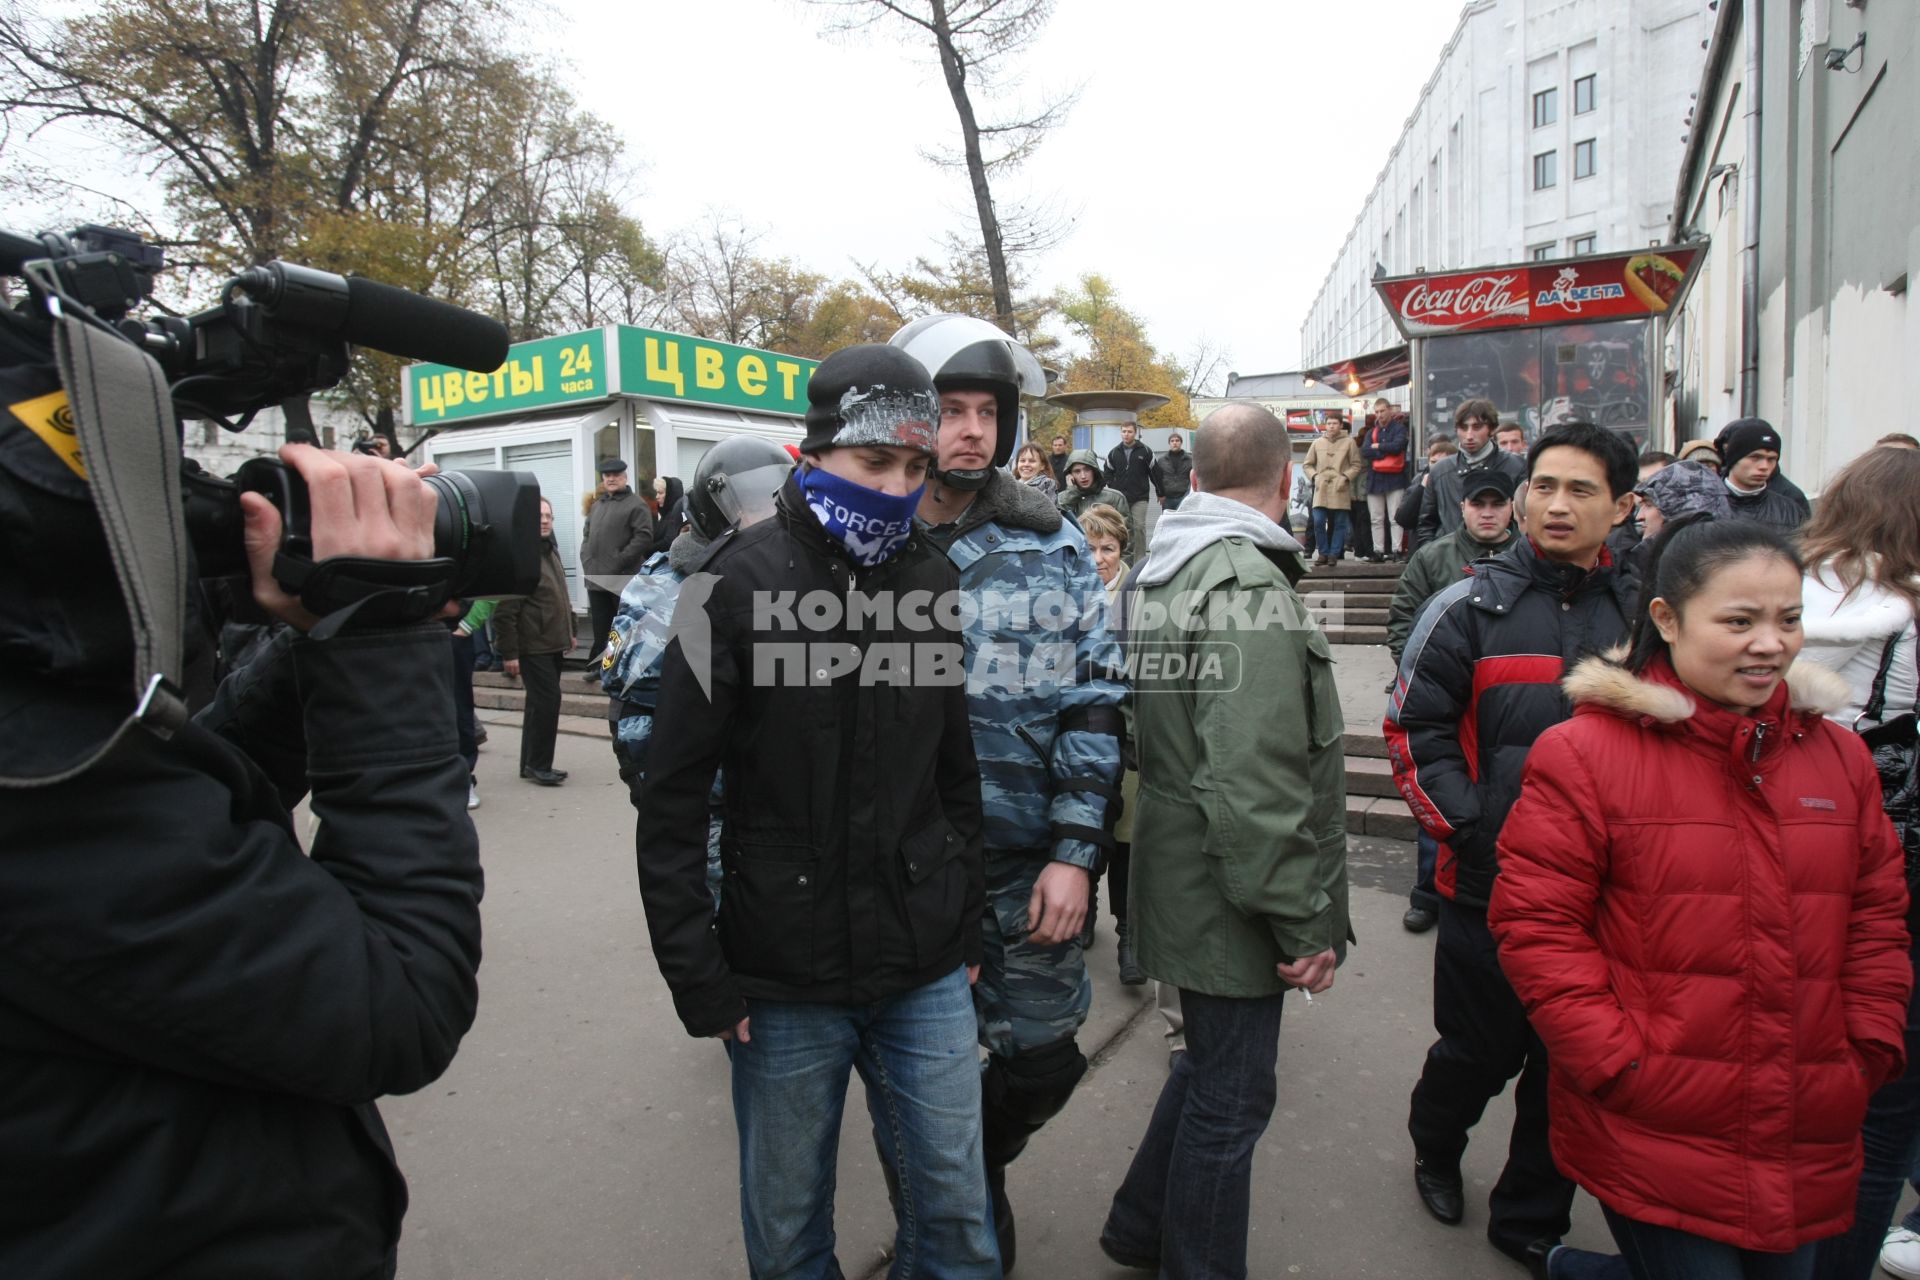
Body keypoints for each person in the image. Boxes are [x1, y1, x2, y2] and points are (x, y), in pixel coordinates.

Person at [0, 433, 482, 1278]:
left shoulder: (51, 749)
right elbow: (398, 999)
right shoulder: (29, 775)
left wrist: (315, 640)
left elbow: (188, 812)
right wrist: (378, 640)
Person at [634, 343, 998, 1278]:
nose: (900, 486)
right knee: (791, 1230)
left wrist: (968, 929)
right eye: (877, 463)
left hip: (924, 961)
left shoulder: (932, 583)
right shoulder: (720, 589)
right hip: (782, 976)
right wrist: (698, 974)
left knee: (957, 1220)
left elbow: (955, 775)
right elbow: (670, 804)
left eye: (915, 469)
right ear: (816, 452)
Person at [1491, 518, 1911, 1280]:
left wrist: (1867, 1043)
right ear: (1666, 618)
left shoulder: (1840, 756)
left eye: (1789, 620)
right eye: (1739, 621)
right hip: (1659, 1117)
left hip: (1809, 1111)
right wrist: (1618, 1064)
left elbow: (1876, 914)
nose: (1770, 644)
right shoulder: (1585, 755)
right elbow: (1537, 926)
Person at [892, 313, 1126, 1273]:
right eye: (951, 410)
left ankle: (970, 1174)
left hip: (1025, 864)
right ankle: (955, 1218)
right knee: (922, 1072)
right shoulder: (870, 534)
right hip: (904, 871)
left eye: (989, 412)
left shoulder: (1054, 546)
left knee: (1045, 1056)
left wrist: (1077, 854)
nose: (972, 430)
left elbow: (1094, 704)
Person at [1099, 401, 1349, 1277]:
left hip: (1187, 866)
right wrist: (1302, 921)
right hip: (1230, 889)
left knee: (1207, 1072)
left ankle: (1139, 1226)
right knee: (1232, 1102)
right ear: (1287, 480)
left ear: (1193, 480)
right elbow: (1256, 784)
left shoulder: (1170, 568)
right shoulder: (1242, 581)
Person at [1386, 420, 1639, 1274]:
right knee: (1477, 1051)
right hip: (1487, 890)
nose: (1557, 504)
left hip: (1608, 901)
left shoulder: (1648, 616)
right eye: (1546, 486)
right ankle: (1435, 1146)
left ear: (1623, 506)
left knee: (1568, 1068)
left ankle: (1531, 1214)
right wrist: (1472, 822)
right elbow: (1413, 726)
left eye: (1582, 490)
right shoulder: (1465, 605)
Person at [1793, 446, 1920, 1280]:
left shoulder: (1788, 597)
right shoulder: (1905, 620)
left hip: (1803, 845)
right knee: (1884, 1100)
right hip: (1897, 863)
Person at [603, 435, 792, 916]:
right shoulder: (667, 588)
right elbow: (639, 713)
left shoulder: (782, 573)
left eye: (771, 500)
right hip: (709, 813)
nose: (760, 518)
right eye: (745, 504)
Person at [1386, 469, 1519, 933]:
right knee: (1441, 791)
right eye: (1478, 504)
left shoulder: (1528, 557)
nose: (1487, 512)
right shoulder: (1434, 557)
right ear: (1462, 507)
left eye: (1497, 504)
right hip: (1446, 699)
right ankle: (1428, 891)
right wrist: (1416, 675)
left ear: (1511, 507)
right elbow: (1403, 616)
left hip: (1507, 701)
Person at [1079, 501, 1143, 987]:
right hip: (1081, 739)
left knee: (1126, 844)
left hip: (1129, 742)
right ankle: (1084, 911)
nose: (1099, 557)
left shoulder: (1141, 601)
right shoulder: (1064, 595)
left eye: (1108, 548)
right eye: (1091, 547)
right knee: (1086, 831)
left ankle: (1129, 936)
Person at [493, 496, 572, 786]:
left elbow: (560, 594)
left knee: (538, 704)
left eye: (548, 515)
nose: (544, 520)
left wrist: (570, 630)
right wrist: (509, 653)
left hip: (553, 642)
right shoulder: (522, 555)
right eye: (538, 515)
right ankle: (540, 765)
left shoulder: (550, 550)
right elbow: (505, 611)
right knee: (548, 702)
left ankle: (530, 763)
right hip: (533, 645)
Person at [580, 457, 655, 678]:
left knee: (622, 626)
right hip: (596, 578)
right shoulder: (598, 505)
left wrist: (618, 561)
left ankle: (623, 668)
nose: (611, 479)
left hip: (623, 578)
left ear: (625, 477)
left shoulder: (636, 504)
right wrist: (587, 559)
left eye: (616, 475)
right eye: (607, 476)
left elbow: (643, 537)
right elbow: (586, 535)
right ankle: (602, 667)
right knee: (601, 627)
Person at [1419, 400, 1530, 545]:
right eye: (1463, 427)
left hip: (1502, 560)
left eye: (1477, 427)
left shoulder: (1516, 466)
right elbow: (1426, 524)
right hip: (1451, 559)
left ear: (1491, 429)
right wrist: (1434, 558)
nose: (1469, 435)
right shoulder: (1441, 470)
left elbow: (1525, 517)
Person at [1715, 418, 1811, 534]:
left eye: (1771, 459)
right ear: (1733, 459)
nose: (1764, 466)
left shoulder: (1790, 511)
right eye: (1755, 457)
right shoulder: (1702, 504)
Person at [1303, 413, 1363, 566]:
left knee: (1340, 524)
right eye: (1329, 423)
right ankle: (1323, 552)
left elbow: (1357, 465)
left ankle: (1333, 554)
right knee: (1318, 521)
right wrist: (1315, 477)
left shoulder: (1349, 443)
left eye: (1335, 423)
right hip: (1321, 488)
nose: (1331, 426)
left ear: (1341, 425)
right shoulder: (1317, 443)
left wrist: (1345, 477)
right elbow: (1307, 464)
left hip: (1339, 487)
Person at [1361, 398, 1411, 562]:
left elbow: (1398, 446)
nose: (1380, 415)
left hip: (1395, 478)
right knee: (1376, 518)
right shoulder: (1371, 432)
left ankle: (1397, 550)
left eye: (1382, 411)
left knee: (1395, 517)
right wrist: (1385, 450)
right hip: (1375, 480)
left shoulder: (1399, 429)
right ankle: (1378, 550)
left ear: (1389, 410)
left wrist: (1378, 447)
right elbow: (1365, 451)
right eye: (1377, 412)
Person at [1398, 438, 1460, 554]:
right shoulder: (1419, 480)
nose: (1437, 467)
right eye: (1433, 462)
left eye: (1442, 462)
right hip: (1421, 550)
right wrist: (1421, 489)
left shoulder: (1458, 484)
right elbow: (1403, 519)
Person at [1106, 420, 1156, 558]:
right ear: (1121, 433)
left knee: (1139, 527)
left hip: (1140, 497)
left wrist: (1161, 492)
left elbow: (1155, 472)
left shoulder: (1145, 451)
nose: (1126, 434)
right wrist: (1112, 487)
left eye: (1129, 432)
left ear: (1135, 433)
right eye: (1124, 431)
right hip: (1121, 497)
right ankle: (1124, 557)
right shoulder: (1114, 452)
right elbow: (1107, 472)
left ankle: (1140, 560)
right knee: (1123, 528)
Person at [1058, 446, 1128, 521]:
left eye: (1087, 470)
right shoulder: (1061, 499)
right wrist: (1071, 493)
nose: (1083, 476)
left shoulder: (1115, 498)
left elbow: (1125, 530)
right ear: (1070, 475)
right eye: (1077, 471)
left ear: (1094, 471)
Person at [1151, 429, 1194, 514]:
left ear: (1181, 443)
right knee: (1167, 522)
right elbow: (1157, 479)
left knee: (1183, 522)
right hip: (1167, 498)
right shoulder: (1162, 461)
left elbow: (1192, 478)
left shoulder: (1189, 460)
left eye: (1177, 441)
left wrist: (1189, 495)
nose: (1175, 443)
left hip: (1184, 497)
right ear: (1169, 443)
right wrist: (1160, 494)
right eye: (1172, 441)